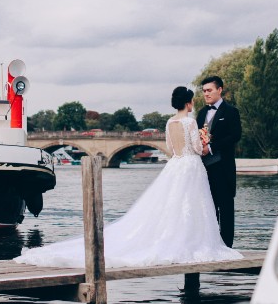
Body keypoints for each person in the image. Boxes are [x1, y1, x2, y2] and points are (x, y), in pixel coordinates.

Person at [14, 86, 241, 268]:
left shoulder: (169, 122)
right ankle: (195, 242)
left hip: (176, 165)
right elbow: (195, 147)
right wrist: (205, 143)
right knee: (194, 206)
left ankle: (178, 241)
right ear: (188, 103)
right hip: (192, 165)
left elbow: (171, 149)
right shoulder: (190, 121)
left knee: (174, 205)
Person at [196, 75, 241, 247]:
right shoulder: (201, 114)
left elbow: (235, 136)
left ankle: (227, 247)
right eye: (204, 91)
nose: (206, 94)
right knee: (209, 208)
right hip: (205, 169)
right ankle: (212, 246)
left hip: (223, 167)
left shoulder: (231, 112)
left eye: (209, 90)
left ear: (219, 90)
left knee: (226, 208)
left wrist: (212, 147)